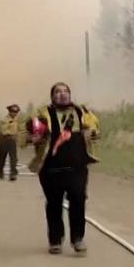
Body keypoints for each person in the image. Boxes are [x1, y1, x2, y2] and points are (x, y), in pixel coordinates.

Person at [25, 83, 100, 255]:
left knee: (78, 199)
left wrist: (91, 133)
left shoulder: (82, 112)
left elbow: (95, 128)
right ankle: (55, 240)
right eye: (58, 92)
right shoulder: (42, 114)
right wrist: (32, 138)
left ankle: (78, 239)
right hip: (51, 169)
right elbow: (25, 134)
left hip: (77, 167)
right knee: (54, 204)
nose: (62, 94)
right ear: (52, 96)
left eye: (65, 91)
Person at [0, 104, 21, 181]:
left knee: (14, 158)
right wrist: (11, 133)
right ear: (9, 111)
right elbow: (3, 131)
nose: (15, 113)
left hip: (12, 141)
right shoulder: (4, 120)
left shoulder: (17, 120)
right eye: (13, 111)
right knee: (2, 158)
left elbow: (19, 130)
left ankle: (13, 174)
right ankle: (0, 169)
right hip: (4, 140)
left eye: (16, 111)